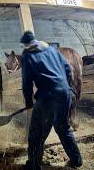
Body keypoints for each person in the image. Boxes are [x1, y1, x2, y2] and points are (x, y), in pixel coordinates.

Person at [20, 31, 82, 169]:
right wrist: (66, 88)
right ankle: (77, 160)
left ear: (26, 44)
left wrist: (29, 102)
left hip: (47, 96)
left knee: (37, 132)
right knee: (63, 128)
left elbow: (26, 82)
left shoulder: (27, 55)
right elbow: (67, 69)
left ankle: (34, 165)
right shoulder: (51, 50)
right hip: (64, 95)